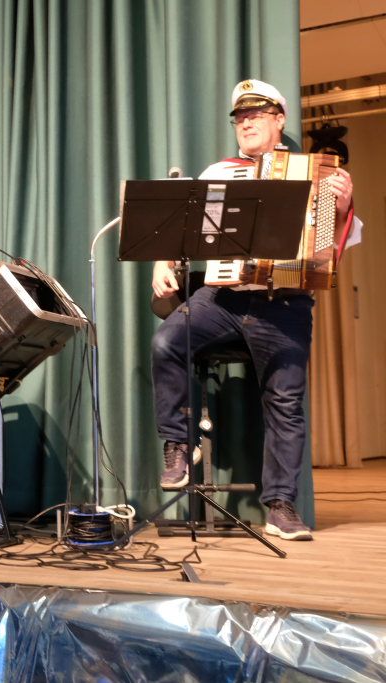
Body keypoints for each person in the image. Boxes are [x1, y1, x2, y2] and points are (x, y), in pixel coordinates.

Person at [150, 79, 359, 541]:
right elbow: (184, 227)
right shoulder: (220, 171)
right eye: (239, 117)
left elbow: (332, 247)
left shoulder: (316, 173)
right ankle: (178, 444)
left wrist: (342, 208)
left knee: (285, 401)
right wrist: (162, 263)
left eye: (256, 115)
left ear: (279, 119)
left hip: (283, 304)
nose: (245, 123)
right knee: (168, 341)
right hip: (222, 298)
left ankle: (280, 506)